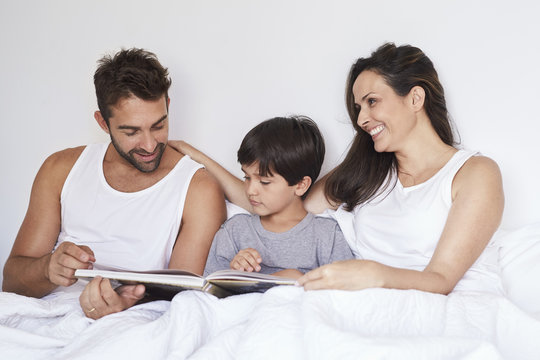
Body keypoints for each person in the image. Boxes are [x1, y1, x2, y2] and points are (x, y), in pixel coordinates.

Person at [2, 48, 226, 319]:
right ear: (103, 123)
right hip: (45, 315)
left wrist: (125, 307)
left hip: (130, 323)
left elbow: (181, 300)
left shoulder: (198, 188)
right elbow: (11, 282)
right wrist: (49, 268)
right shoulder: (60, 169)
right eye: (131, 131)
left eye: (158, 126)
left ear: (168, 105)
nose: (149, 144)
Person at [296, 42, 505, 295]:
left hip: (446, 308)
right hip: (367, 307)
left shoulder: (474, 173)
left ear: (415, 98)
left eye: (372, 101)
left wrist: (372, 273)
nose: (361, 119)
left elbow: (441, 279)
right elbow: (291, 213)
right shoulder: (366, 173)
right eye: (359, 108)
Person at [171, 116, 354, 280]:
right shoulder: (235, 231)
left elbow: (344, 290)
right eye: (247, 177)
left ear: (300, 185)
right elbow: (209, 292)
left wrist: (297, 278)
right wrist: (234, 273)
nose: (251, 190)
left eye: (264, 182)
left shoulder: (326, 235)